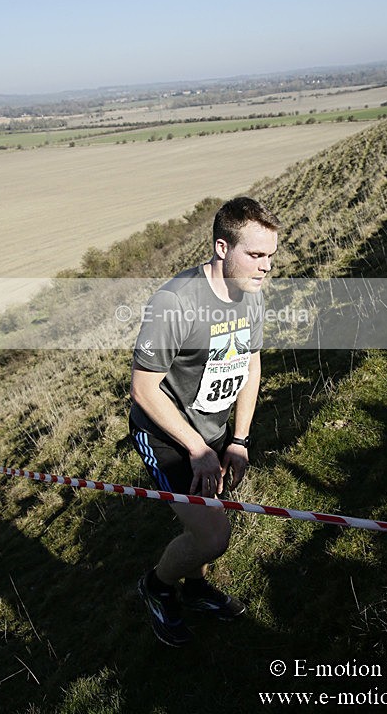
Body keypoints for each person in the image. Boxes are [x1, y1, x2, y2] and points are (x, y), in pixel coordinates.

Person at [129, 196, 280, 646]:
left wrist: (239, 440)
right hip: (166, 435)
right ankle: (157, 588)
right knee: (214, 535)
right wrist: (196, 450)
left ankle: (193, 589)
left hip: (213, 432)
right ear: (221, 247)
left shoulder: (251, 294)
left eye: (271, 256)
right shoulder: (175, 302)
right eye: (255, 255)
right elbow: (143, 389)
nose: (265, 267)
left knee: (203, 520)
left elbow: (251, 367)